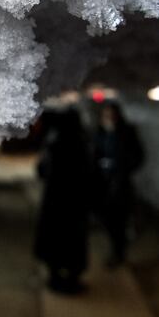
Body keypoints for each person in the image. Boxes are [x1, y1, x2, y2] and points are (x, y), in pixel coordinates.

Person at [34, 108, 92, 294]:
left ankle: (56, 278)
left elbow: (42, 171)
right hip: (75, 203)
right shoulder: (80, 143)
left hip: (55, 203)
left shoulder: (53, 144)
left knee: (55, 239)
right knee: (73, 241)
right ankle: (72, 279)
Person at [94, 101, 144, 267]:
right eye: (107, 115)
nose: (110, 118)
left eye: (112, 115)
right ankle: (116, 248)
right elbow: (95, 154)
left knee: (119, 219)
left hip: (120, 183)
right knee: (106, 218)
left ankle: (119, 252)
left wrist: (122, 166)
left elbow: (138, 157)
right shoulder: (100, 133)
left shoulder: (126, 133)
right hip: (103, 183)